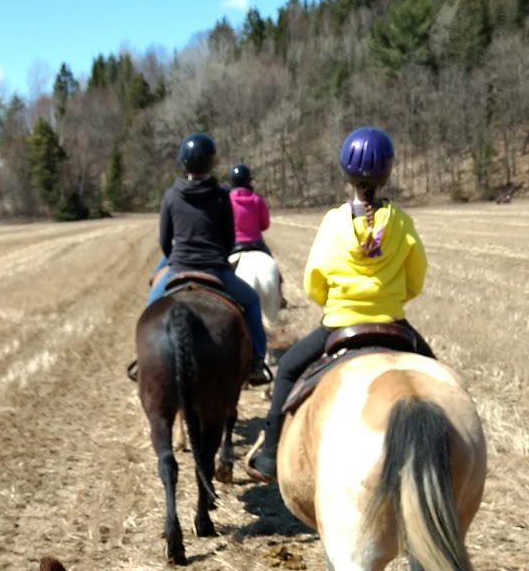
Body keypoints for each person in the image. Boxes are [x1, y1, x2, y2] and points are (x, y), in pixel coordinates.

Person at [247, 126, 434, 482]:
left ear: (345, 172)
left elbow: (313, 282)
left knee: (286, 368)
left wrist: (333, 303)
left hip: (339, 323)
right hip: (394, 322)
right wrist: (390, 299)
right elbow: (416, 280)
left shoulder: (333, 223)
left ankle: (270, 453)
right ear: (388, 173)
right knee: (440, 380)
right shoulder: (402, 222)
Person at [144, 132, 270, 383]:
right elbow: (228, 238)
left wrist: (176, 261)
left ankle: (145, 363)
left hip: (178, 267)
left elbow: (164, 240)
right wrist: (219, 258)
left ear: (183, 163)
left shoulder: (170, 196)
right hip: (215, 270)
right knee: (253, 302)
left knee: (149, 312)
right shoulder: (222, 195)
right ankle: (256, 360)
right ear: (211, 163)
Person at [228, 162, 273, 256]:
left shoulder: (227, 199)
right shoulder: (257, 198)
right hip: (256, 242)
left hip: (234, 243)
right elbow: (265, 224)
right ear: (248, 180)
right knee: (272, 263)